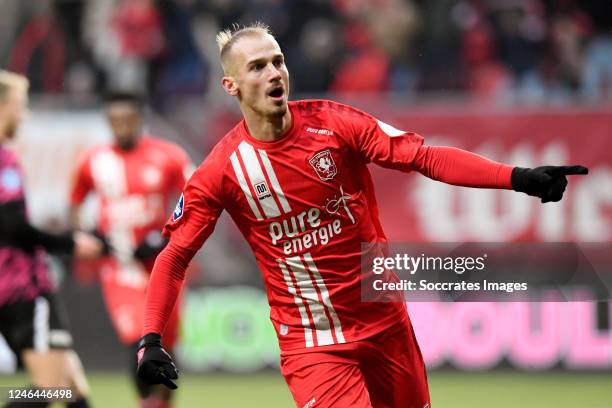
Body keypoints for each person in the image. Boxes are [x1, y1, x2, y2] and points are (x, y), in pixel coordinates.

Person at [135, 23, 588, 408]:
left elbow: (423, 157)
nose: (274, 73)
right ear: (230, 86)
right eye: (257, 67)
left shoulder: (334, 124)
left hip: (385, 320)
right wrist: (151, 338)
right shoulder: (221, 170)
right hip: (314, 344)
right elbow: (175, 255)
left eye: (277, 61)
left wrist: (517, 177)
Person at [70, 92, 193, 408]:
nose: (121, 127)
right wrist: (90, 234)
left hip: (163, 266)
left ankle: (160, 403)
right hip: (119, 269)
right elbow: (74, 204)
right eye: (114, 121)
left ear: (141, 120)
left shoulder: (169, 156)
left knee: (164, 345)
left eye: (127, 119)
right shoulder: (93, 160)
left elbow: (195, 201)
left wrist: (164, 238)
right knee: (138, 341)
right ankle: (146, 402)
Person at [0, 70, 101, 407]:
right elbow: (11, 224)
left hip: (11, 287)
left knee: (72, 386)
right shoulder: (4, 159)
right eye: (18, 105)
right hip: (23, 287)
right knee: (48, 388)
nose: (23, 114)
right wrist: (70, 243)